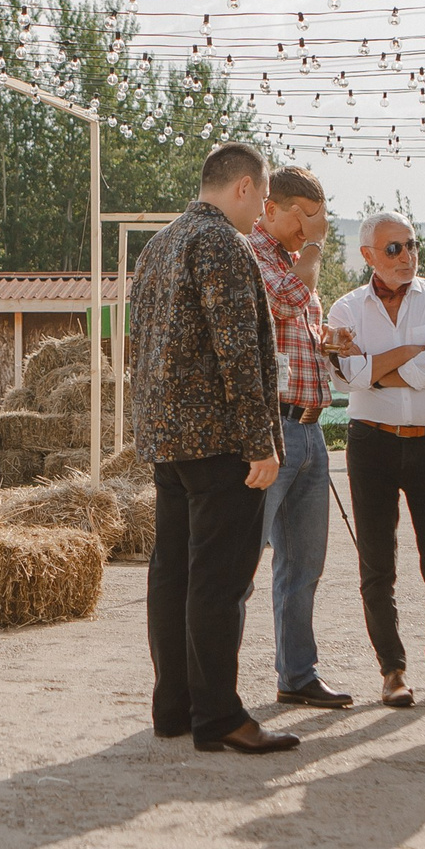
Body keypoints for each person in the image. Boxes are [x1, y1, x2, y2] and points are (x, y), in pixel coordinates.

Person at [129, 141, 301, 754]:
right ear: (246, 187)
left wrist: (148, 429)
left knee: (171, 573)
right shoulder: (223, 245)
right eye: (263, 200)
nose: (262, 215)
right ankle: (221, 715)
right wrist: (261, 443)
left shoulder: (159, 245)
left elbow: (138, 349)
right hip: (220, 441)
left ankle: (174, 706)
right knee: (218, 580)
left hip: (166, 441)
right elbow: (237, 353)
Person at [327, 213, 425, 709]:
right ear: (367, 254)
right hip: (372, 444)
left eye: (412, 245)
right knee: (377, 565)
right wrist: (403, 355)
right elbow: (346, 378)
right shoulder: (345, 308)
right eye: (393, 249)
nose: (407, 256)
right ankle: (392, 672)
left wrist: (375, 368)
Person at [238, 165, 359, 710]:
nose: (313, 232)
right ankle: (219, 687)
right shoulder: (253, 254)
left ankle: (297, 674)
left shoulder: (290, 263)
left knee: (304, 565)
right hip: (274, 431)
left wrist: (327, 339)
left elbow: (292, 323)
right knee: (241, 565)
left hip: (311, 432)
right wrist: (311, 252)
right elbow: (286, 300)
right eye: (307, 219)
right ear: (276, 208)